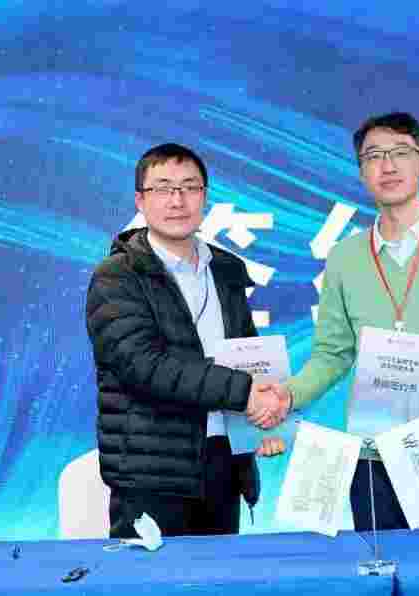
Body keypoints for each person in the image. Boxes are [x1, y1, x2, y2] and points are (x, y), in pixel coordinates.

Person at [275, 112, 419, 530]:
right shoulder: (345, 257)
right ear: (361, 172)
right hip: (373, 461)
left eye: (401, 152)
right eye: (373, 156)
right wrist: (285, 397)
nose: (387, 165)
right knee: (379, 568)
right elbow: (332, 354)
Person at [85, 143, 290, 538]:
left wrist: (263, 426)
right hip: (153, 473)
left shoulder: (227, 270)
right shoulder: (117, 276)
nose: (177, 200)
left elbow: (248, 355)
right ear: (140, 201)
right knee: (151, 576)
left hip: (224, 465)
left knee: (221, 574)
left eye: (189, 187)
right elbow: (145, 367)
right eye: (163, 188)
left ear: (204, 197)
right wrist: (246, 394)